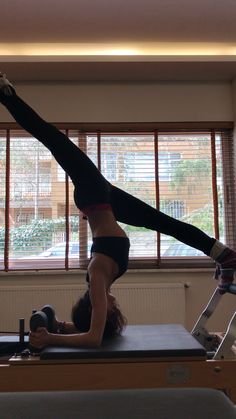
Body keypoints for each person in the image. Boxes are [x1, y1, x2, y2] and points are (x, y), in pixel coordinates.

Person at [0, 73, 235, 349]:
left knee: (51, 138)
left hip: (95, 195)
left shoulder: (98, 278)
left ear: (97, 306)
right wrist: (63, 326)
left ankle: (6, 94)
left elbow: (93, 337)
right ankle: (223, 255)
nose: (113, 305)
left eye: (108, 310)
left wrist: (52, 336)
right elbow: (92, 327)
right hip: (104, 200)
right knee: (167, 223)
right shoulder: (103, 283)